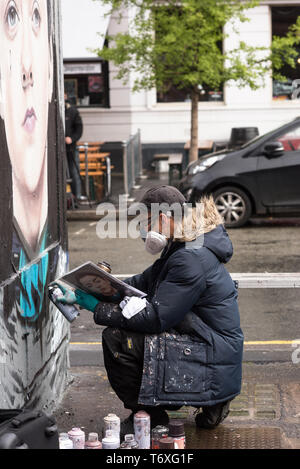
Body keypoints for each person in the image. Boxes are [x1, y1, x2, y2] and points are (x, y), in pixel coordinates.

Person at [56, 185, 244, 434]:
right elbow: (142, 283)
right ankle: (212, 401)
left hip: (211, 353)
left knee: (118, 339)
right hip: (209, 345)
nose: (143, 231)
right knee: (129, 331)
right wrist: (95, 288)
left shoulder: (190, 258)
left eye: (145, 222)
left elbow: (156, 319)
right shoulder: (184, 246)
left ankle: (150, 416)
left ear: (164, 219)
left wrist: (95, 306)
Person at [64, 93, 83, 201]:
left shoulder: (73, 111)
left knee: (73, 171)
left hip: (70, 147)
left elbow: (79, 129)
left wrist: (72, 138)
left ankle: (77, 196)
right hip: (58, 148)